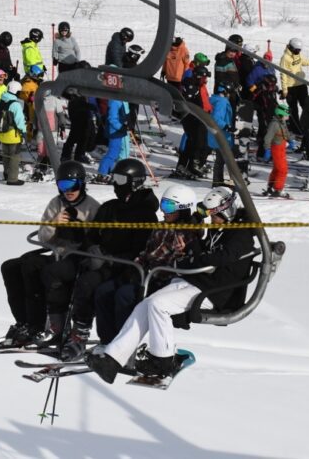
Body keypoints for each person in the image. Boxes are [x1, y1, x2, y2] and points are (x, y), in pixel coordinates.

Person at [86, 186, 255, 382]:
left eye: (215, 216)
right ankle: (113, 359)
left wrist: (194, 252)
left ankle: (163, 359)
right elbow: (200, 257)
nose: (211, 220)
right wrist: (195, 248)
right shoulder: (219, 230)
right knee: (146, 304)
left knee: (158, 305)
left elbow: (214, 259)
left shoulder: (240, 235)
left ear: (226, 211)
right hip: (196, 280)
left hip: (216, 291)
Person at [52, 159, 158, 361]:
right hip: (102, 262)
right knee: (63, 274)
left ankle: (97, 339)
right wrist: (91, 247)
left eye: (120, 179)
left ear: (134, 182)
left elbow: (141, 248)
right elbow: (93, 235)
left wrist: (109, 259)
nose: (115, 184)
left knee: (92, 284)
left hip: (127, 268)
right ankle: (70, 331)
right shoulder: (110, 207)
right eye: (114, 178)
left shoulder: (145, 214)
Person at [0, 161, 102, 345]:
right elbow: (43, 238)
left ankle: (38, 324)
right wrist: (53, 224)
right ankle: (23, 322)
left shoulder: (92, 207)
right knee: (10, 267)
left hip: (77, 258)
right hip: (57, 252)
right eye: (63, 186)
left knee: (34, 267)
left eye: (73, 185)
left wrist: (81, 231)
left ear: (82, 184)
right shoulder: (56, 204)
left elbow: (97, 242)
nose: (68, 191)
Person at [95, 183, 204, 346]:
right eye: (163, 205)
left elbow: (176, 262)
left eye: (168, 206)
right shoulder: (160, 228)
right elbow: (146, 253)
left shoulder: (189, 234)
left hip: (162, 281)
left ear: (182, 209)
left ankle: (123, 346)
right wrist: (134, 267)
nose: (163, 211)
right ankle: (107, 341)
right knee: (103, 291)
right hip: (143, 275)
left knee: (124, 295)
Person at [278, 37, 309, 142]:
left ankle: (306, 125)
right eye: (296, 50)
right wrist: (284, 89)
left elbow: (303, 61)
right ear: (291, 47)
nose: (298, 52)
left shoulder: (298, 54)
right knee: (293, 108)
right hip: (291, 87)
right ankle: (295, 129)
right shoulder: (285, 58)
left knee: (306, 106)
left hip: (301, 85)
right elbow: (283, 74)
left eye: (299, 50)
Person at [0, 80, 27, 185]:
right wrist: (24, 133)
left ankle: (6, 173)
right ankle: (12, 179)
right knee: (14, 156)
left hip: (1, 133)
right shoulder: (15, 104)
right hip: (12, 134)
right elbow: (19, 121)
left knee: (6, 154)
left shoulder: (1, 100)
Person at [262, 103, 293, 197]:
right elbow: (267, 138)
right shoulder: (274, 124)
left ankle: (271, 186)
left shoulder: (282, 122)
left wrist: (290, 140)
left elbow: (286, 133)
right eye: (286, 114)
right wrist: (267, 150)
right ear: (280, 114)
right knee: (283, 170)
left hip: (282, 147)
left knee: (277, 169)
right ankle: (278, 189)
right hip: (276, 148)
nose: (288, 116)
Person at [207, 84, 235, 186]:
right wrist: (227, 127)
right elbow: (216, 118)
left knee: (221, 159)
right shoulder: (221, 102)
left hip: (216, 134)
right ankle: (218, 182)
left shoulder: (214, 99)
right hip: (222, 134)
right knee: (223, 159)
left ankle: (218, 181)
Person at [96, 95, 130, 179]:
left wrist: (125, 125)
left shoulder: (120, 100)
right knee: (112, 153)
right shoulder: (115, 101)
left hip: (118, 131)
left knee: (115, 153)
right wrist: (121, 127)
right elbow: (112, 118)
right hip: (114, 131)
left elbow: (122, 115)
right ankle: (102, 172)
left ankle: (108, 171)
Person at [213, 34, 243, 113]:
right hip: (225, 93)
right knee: (225, 113)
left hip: (232, 92)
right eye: (231, 51)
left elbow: (232, 75)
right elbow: (219, 78)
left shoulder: (230, 60)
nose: (233, 54)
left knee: (231, 113)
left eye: (234, 52)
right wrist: (228, 87)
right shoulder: (222, 61)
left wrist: (236, 84)